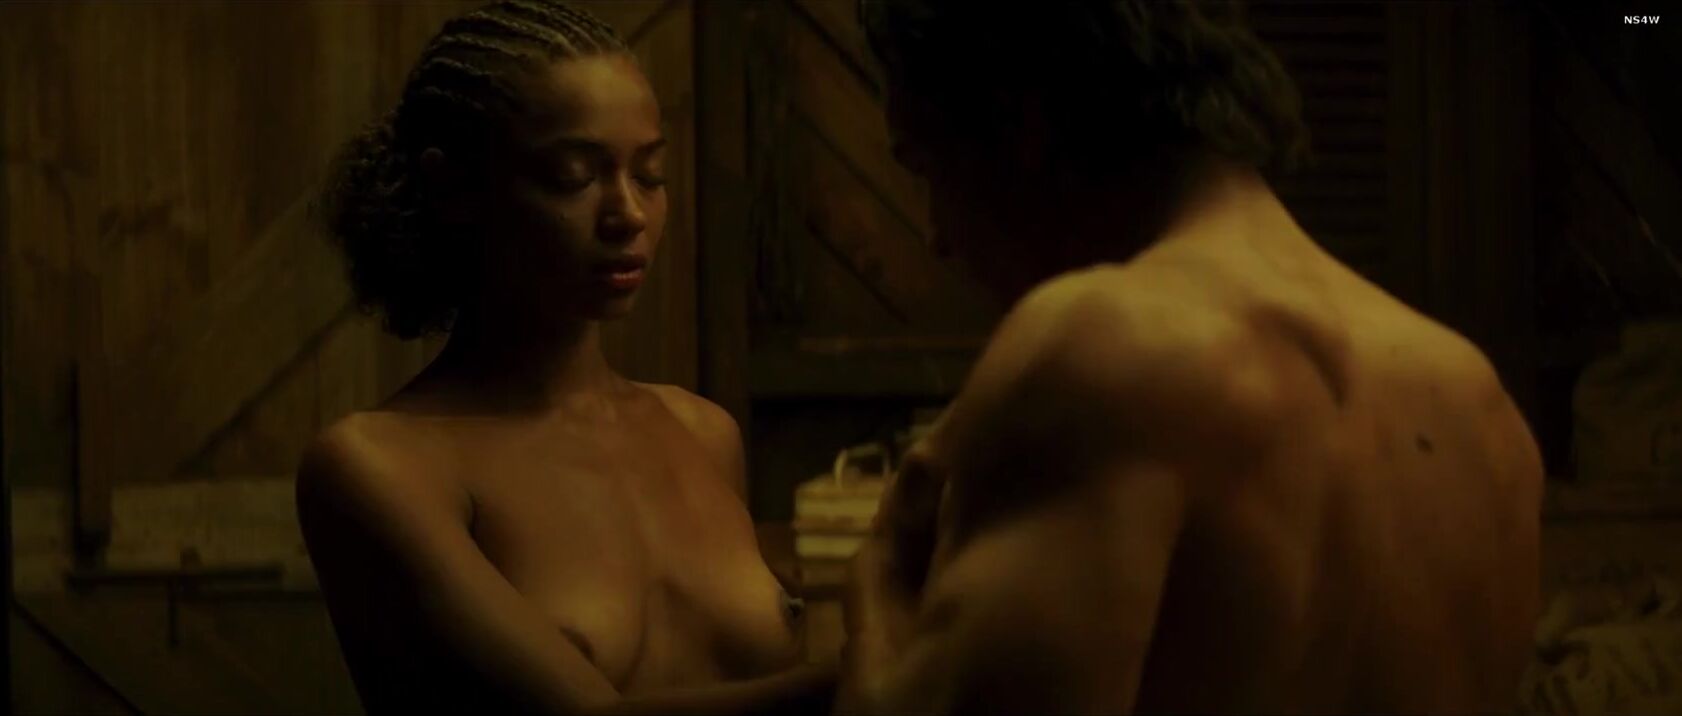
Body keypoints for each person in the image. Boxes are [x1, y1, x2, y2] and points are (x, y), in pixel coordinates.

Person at [840, 1, 1544, 713]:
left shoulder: (1101, 346)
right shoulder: (1482, 410)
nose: (937, 237)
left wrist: (884, 564)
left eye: (927, 168)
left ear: (1020, 121)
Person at [294, 3, 832, 714]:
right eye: (574, 177)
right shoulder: (380, 466)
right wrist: (892, 660)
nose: (628, 214)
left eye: (651, 175)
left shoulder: (703, 433)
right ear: (453, 189)